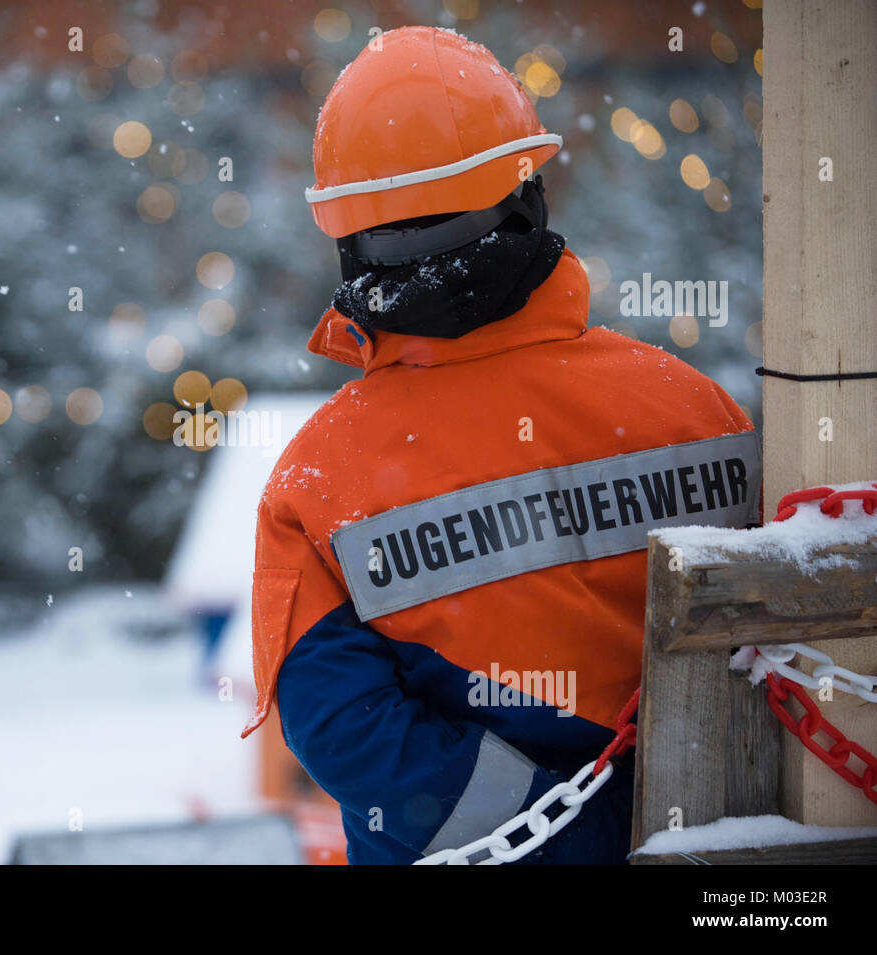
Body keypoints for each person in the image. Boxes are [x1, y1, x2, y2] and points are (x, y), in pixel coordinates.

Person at [242, 26, 760, 865]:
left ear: (346, 237)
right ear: (529, 196)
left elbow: (342, 728)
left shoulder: (319, 474)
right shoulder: (692, 405)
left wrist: (549, 825)